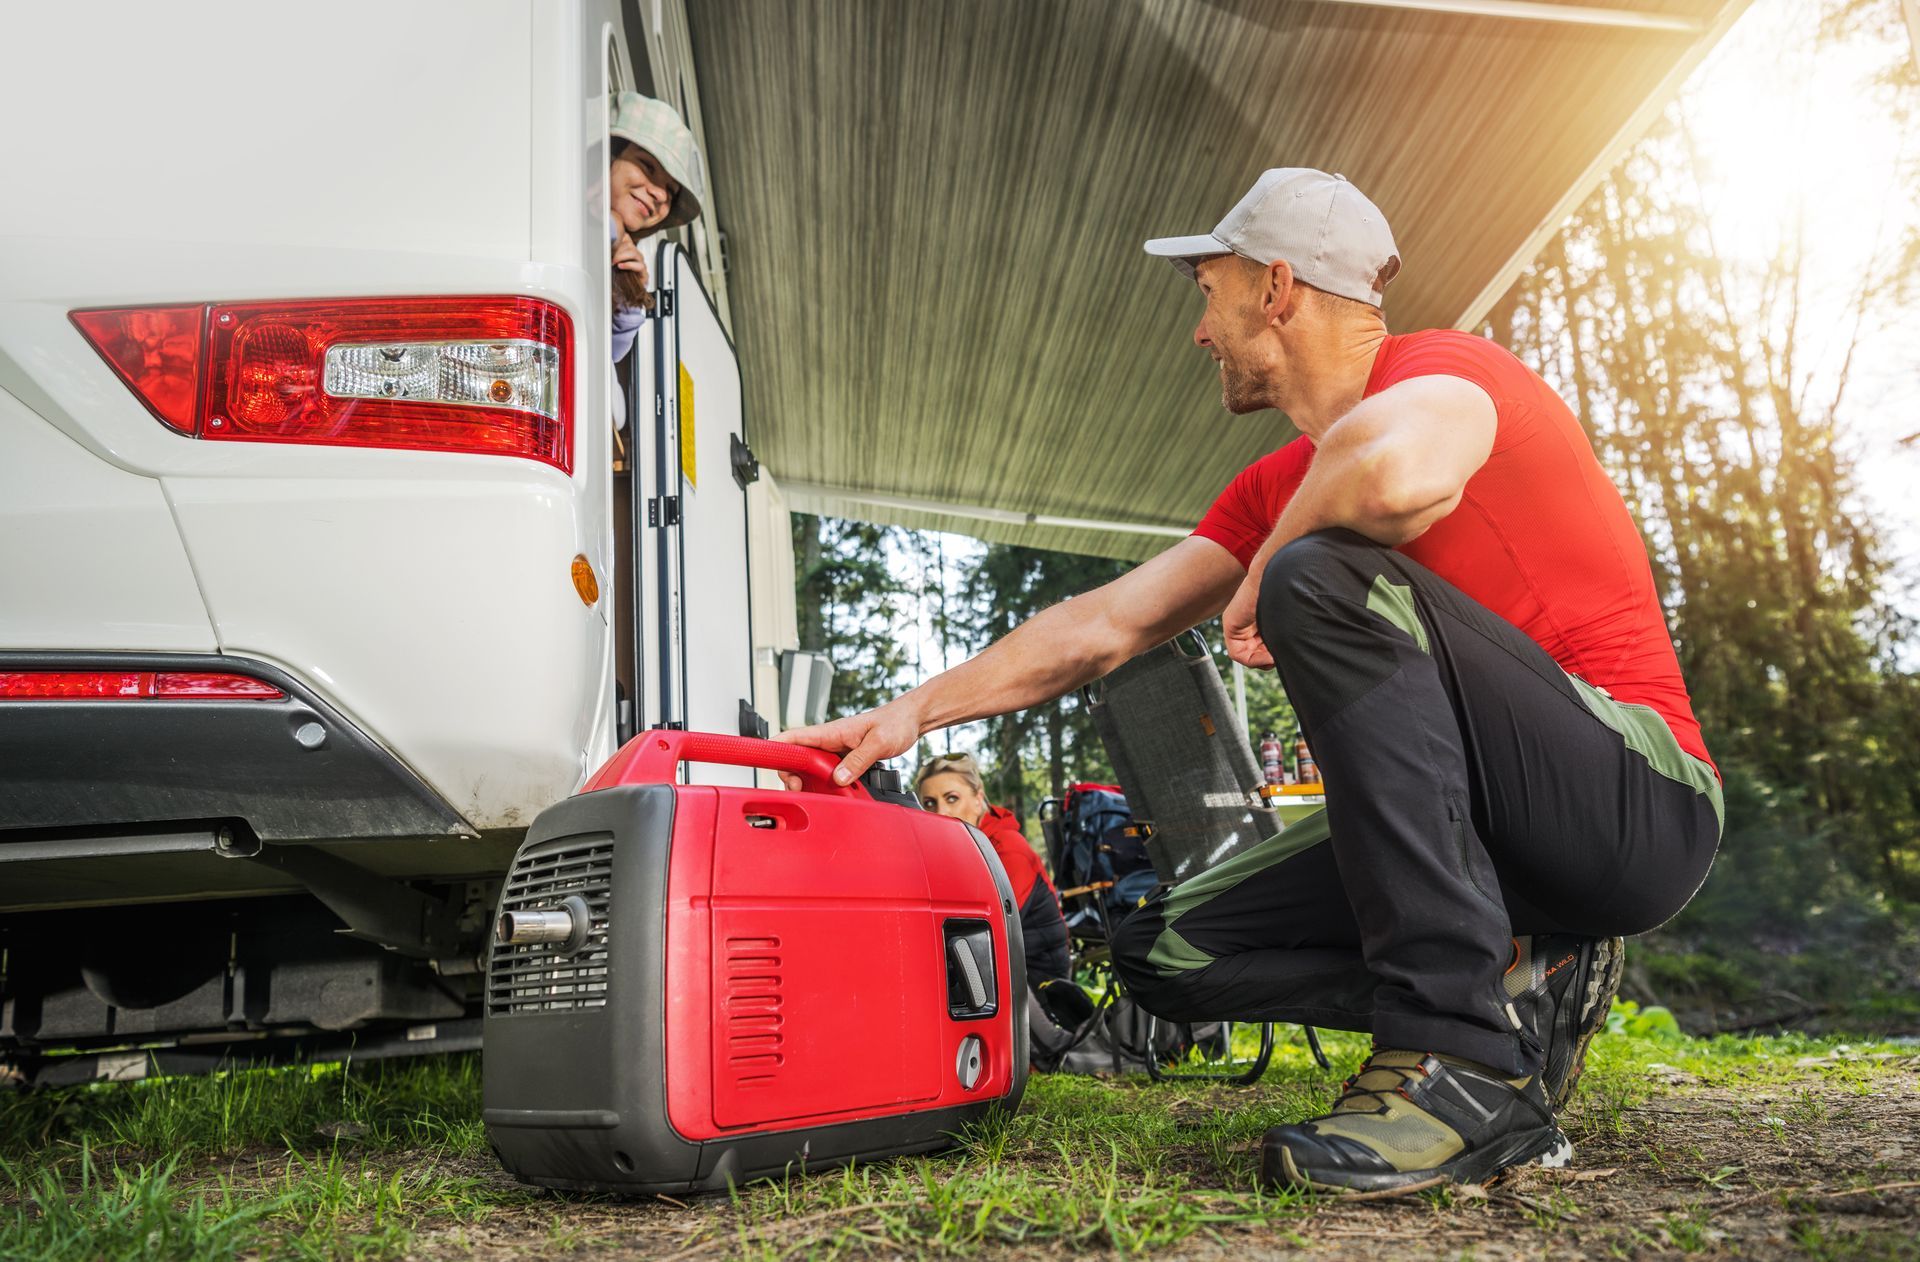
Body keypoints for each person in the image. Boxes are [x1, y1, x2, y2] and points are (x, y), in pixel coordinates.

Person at [780, 168, 1722, 1194]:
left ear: (1277, 289)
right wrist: (909, 711)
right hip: (1495, 841)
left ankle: (1460, 1065)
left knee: (1320, 580)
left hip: (1636, 797)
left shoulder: (1448, 371)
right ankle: (1513, 983)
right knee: (1164, 947)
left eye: (1209, 293)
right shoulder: (1276, 488)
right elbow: (1103, 624)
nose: (1201, 331)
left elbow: (1396, 472)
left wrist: (1276, 565)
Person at [914, 753, 1072, 987]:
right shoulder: (954, 852)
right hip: (992, 964)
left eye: (952, 798)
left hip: (1039, 976)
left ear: (978, 799)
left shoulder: (1007, 847)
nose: (941, 812)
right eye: (930, 803)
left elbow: (992, 931)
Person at [607, 92, 704, 366]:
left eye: (670, 192)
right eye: (647, 166)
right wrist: (610, 228)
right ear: (610, 156)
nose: (660, 194)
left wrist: (628, 301)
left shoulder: (620, 262)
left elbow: (610, 357)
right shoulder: (560, 202)